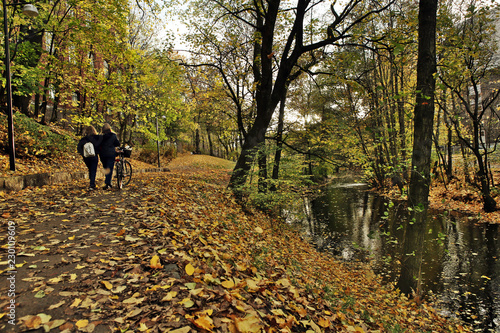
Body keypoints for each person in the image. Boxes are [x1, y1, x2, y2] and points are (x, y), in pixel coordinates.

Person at [77, 126, 102, 191]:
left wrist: (83, 154)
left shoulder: (83, 139)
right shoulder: (97, 138)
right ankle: (92, 184)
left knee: (90, 169)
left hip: (86, 157)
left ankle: (91, 181)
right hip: (94, 156)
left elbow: (79, 148)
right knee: (93, 170)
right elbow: (99, 146)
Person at [99, 123, 120, 190]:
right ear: (110, 129)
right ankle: (108, 183)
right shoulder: (113, 136)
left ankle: (107, 182)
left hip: (102, 154)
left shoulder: (101, 137)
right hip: (110, 154)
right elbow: (117, 144)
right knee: (109, 169)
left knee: (106, 168)